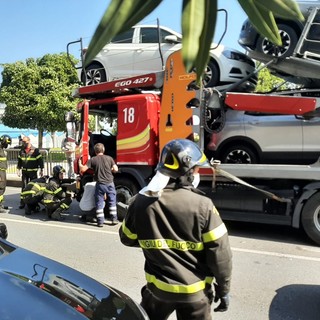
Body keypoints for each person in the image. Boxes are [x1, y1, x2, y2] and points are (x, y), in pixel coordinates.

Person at [119, 138, 232, 320]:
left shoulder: (141, 202)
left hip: (157, 292)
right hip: (195, 296)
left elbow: (127, 238)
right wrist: (224, 289)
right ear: (187, 171)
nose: (197, 173)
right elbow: (220, 253)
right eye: (196, 169)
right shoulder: (203, 205)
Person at [79, 143, 119, 227]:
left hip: (100, 184)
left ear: (95, 151)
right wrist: (110, 169)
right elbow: (116, 169)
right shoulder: (109, 158)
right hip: (110, 183)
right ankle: (114, 219)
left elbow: (83, 169)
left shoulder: (93, 160)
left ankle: (100, 222)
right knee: (112, 201)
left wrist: (80, 164)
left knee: (99, 203)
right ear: (103, 150)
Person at [17, 136, 44, 209]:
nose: (24, 143)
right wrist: (18, 169)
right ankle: (23, 202)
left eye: (25, 142)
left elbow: (40, 161)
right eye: (23, 142)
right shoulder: (21, 150)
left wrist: (41, 170)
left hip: (33, 173)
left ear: (29, 141)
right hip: (24, 172)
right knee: (24, 187)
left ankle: (34, 203)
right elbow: (19, 161)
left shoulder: (35, 150)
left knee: (33, 188)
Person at [0, 135, 12, 213]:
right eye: (7, 143)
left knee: (2, 188)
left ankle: (0, 204)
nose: (7, 145)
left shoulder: (1, 149)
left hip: (3, 171)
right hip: (0, 172)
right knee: (0, 189)